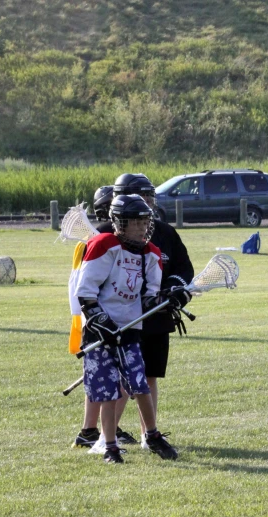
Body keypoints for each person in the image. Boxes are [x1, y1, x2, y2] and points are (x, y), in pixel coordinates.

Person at [72, 194, 177, 463]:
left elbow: (148, 297)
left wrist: (168, 299)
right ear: (120, 222)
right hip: (99, 331)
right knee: (109, 391)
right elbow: (85, 293)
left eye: (145, 222)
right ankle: (109, 446)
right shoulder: (103, 245)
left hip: (130, 330)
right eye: (135, 223)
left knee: (138, 384)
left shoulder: (151, 253)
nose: (142, 228)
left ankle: (152, 435)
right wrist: (102, 321)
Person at [103, 173, 194, 449]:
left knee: (150, 375)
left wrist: (175, 290)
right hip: (120, 319)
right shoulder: (106, 235)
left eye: (150, 196)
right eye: (143, 196)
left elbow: (183, 269)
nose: (148, 203)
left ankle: (148, 434)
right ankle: (109, 434)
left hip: (155, 318)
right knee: (120, 378)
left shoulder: (165, 232)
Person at [69, 186, 137, 449]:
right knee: (115, 377)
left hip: (93, 314)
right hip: (102, 315)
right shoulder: (103, 240)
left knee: (97, 376)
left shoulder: (100, 237)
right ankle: (105, 430)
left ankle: (89, 430)